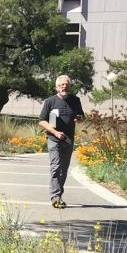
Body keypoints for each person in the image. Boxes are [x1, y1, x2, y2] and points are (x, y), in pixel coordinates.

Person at [37, 75, 85, 209]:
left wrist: (80, 119)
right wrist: (55, 132)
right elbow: (42, 121)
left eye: (67, 85)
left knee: (63, 169)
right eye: (61, 85)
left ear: (69, 86)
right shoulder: (50, 101)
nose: (64, 87)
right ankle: (55, 197)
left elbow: (81, 117)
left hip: (68, 139)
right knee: (56, 167)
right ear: (57, 87)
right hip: (54, 138)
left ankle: (59, 195)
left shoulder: (75, 101)